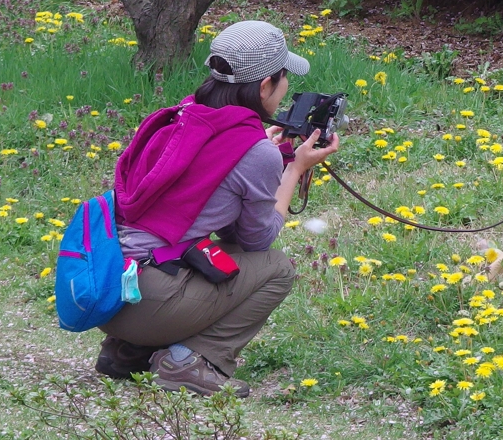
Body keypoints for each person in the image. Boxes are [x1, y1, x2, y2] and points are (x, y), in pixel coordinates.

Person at [95, 20, 340, 396]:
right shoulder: (251, 150)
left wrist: (262, 153)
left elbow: (224, 225)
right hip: (149, 302)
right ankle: (187, 361)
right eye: (284, 75)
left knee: (217, 253)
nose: (287, 86)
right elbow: (257, 240)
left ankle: (129, 351)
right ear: (264, 85)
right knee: (276, 269)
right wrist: (293, 168)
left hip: (108, 289)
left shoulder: (181, 118)